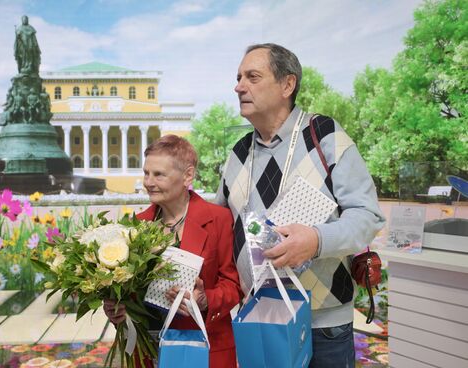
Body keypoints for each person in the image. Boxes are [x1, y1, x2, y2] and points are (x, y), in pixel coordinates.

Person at [215, 43, 386, 367]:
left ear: (287, 84)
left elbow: (367, 215)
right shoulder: (237, 154)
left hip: (322, 323)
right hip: (258, 317)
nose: (239, 86)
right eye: (238, 78)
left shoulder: (325, 136)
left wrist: (315, 241)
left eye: (252, 76)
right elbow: (221, 227)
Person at [104, 134, 242, 368]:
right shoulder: (135, 226)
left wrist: (205, 299)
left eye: (158, 174)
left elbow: (233, 285)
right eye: (146, 173)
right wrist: (118, 309)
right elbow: (129, 292)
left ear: (187, 175)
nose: (148, 182)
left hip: (205, 349)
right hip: (148, 352)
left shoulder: (219, 219)